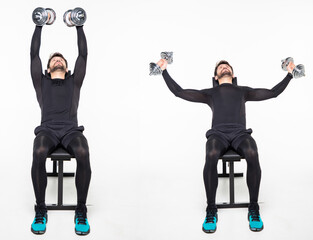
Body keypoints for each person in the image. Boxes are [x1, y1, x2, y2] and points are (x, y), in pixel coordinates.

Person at [156, 58, 295, 233]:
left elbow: (273, 92)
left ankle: (253, 207)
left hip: (240, 133)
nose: (224, 67)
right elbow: (179, 91)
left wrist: (290, 75)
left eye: (226, 66)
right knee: (212, 152)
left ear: (233, 74)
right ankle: (211, 209)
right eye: (220, 67)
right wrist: (164, 71)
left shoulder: (243, 91)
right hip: (218, 134)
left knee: (252, 152)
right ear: (215, 77)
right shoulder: (209, 94)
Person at [30, 23, 91, 235]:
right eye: (54, 59)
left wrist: (79, 26)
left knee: (83, 151)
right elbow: (34, 55)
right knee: (38, 151)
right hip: (47, 130)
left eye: (61, 59)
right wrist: (39, 25)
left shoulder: (74, 82)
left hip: (71, 130)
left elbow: (83, 55)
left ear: (67, 67)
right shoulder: (41, 82)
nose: (58, 60)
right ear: (48, 69)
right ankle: (40, 208)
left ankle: (81, 209)